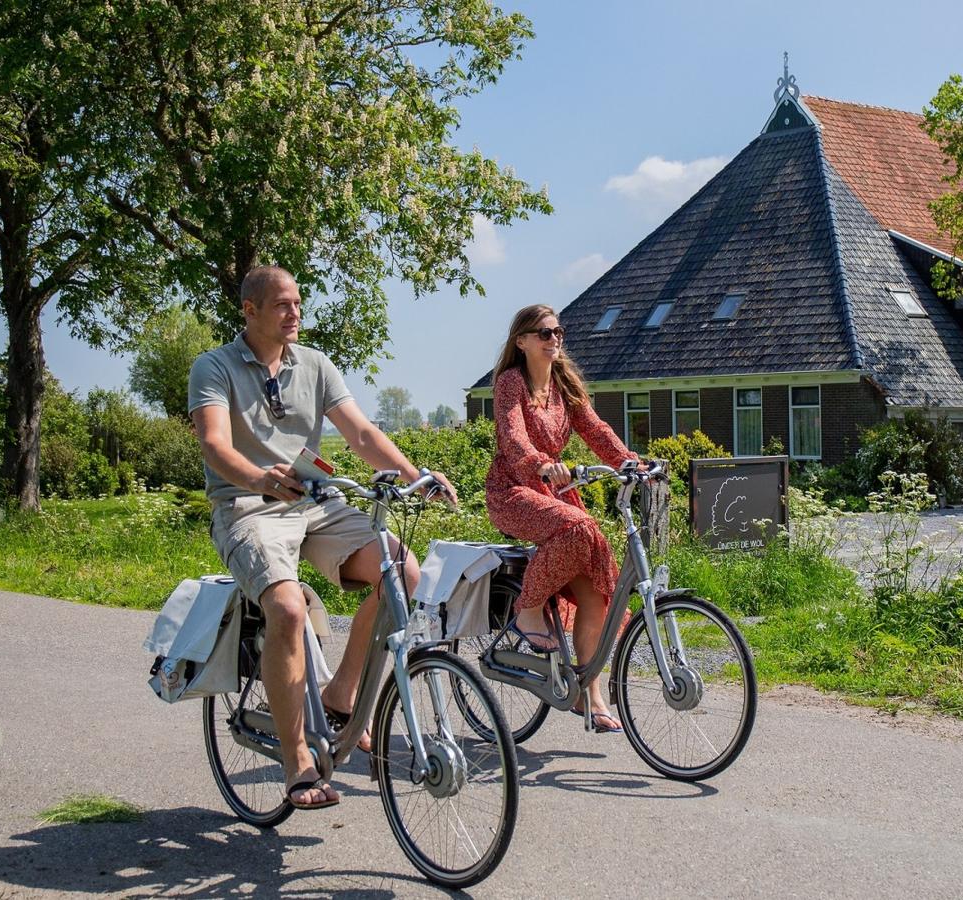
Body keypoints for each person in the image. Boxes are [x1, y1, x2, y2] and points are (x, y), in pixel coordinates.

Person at [189, 265, 456, 810]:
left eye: (298, 303)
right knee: (286, 611)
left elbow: (360, 432)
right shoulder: (213, 367)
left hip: (315, 502)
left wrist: (413, 475)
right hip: (248, 508)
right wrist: (258, 476)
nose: (295, 313)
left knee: (401, 573)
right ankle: (298, 764)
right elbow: (215, 444)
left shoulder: (315, 364)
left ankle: (342, 692)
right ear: (250, 310)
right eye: (283, 304)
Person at [485, 304, 639, 734]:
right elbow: (513, 439)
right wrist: (540, 463)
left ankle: (589, 693)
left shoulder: (564, 383)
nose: (555, 339)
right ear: (523, 341)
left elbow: (595, 429)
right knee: (579, 527)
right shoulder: (510, 383)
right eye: (545, 333)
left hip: (555, 492)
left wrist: (631, 462)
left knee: (594, 593)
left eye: (559, 331)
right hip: (514, 491)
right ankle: (528, 610)